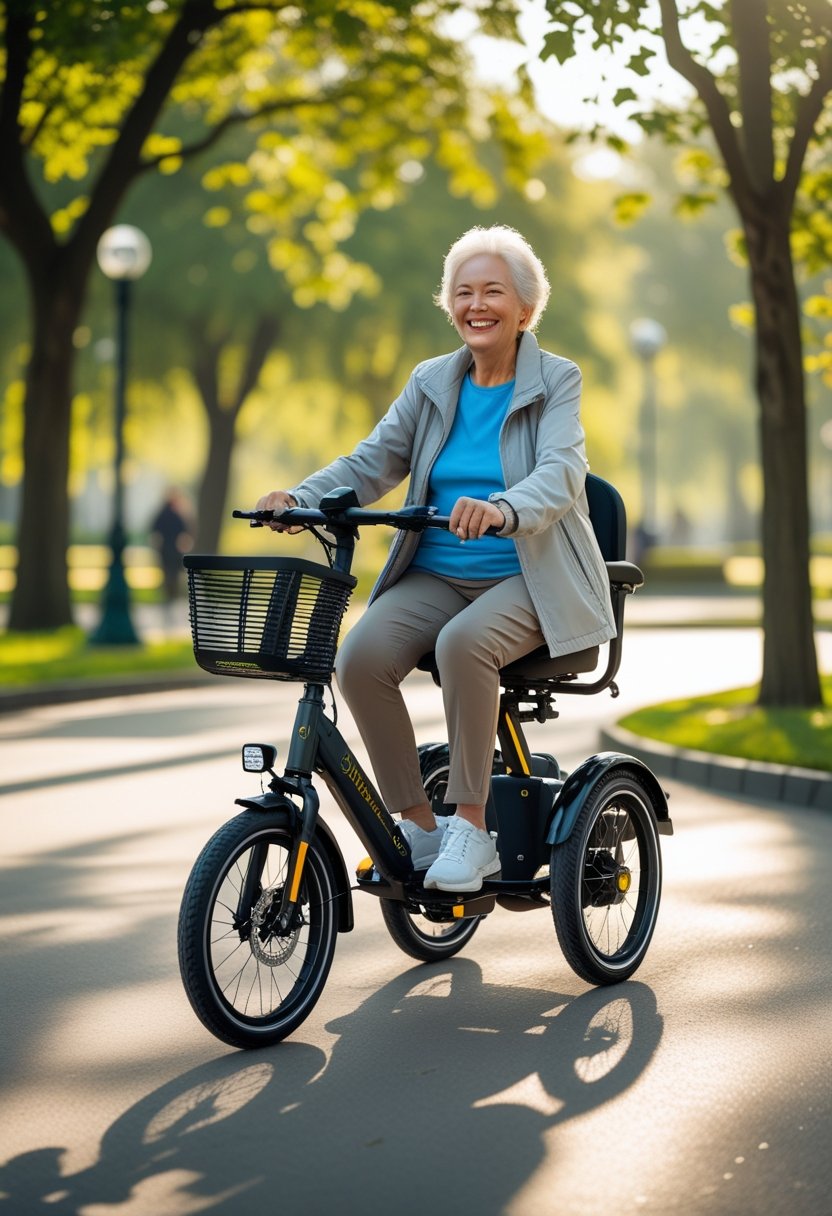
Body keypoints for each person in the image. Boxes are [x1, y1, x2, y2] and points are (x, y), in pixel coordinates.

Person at [257, 225, 615, 893]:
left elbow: (562, 472)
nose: (476, 304)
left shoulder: (557, 380)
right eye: (463, 292)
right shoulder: (432, 381)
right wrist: (299, 497)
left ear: (526, 307)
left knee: (463, 645)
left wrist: (504, 508)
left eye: (493, 291)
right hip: (439, 573)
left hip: (525, 575)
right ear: (449, 304)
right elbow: (372, 461)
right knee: (359, 658)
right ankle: (420, 827)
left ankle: (471, 828)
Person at [149, 489, 193, 611]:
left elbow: (154, 530)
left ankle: (169, 595)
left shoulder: (162, 513)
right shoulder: (178, 514)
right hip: (174, 549)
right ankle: (172, 595)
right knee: (173, 573)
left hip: (165, 549)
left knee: (167, 572)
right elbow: (184, 532)